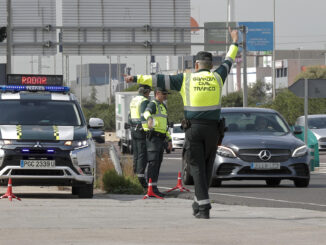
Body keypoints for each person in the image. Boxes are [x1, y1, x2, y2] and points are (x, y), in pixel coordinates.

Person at [125, 27, 239, 218]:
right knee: (207, 166)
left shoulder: (186, 79)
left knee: (196, 167)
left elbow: (158, 78)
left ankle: (204, 207)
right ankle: (198, 202)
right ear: (210, 66)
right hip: (213, 130)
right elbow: (229, 60)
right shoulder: (218, 77)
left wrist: (135, 78)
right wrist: (235, 41)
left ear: (196, 65)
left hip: (194, 130)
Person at [143, 87, 172, 197]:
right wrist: (149, 118)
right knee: (153, 163)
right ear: (157, 93)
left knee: (158, 163)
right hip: (154, 138)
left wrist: (169, 139)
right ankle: (150, 189)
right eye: (164, 94)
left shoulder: (163, 106)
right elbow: (146, 113)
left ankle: (154, 188)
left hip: (161, 138)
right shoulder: (153, 104)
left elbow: (165, 126)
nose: (166, 96)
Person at [129, 84, 151, 189]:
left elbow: (130, 116)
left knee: (136, 154)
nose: (149, 94)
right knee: (143, 155)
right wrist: (148, 130)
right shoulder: (144, 101)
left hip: (133, 129)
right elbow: (143, 116)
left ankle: (134, 176)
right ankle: (141, 179)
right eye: (149, 92)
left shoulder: (133, 100)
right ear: (146, 92)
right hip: (141, 130)